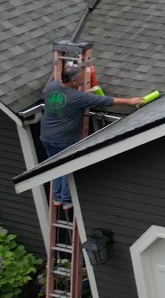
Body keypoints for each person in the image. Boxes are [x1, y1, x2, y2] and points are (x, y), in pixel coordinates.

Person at [39, 65, 146, 209]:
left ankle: (57, 198)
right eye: (80, 80)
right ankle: (67, 200)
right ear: (73, 81)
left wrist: (86, 95)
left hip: (46, 136)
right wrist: (130, 101)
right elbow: (106, 101)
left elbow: (69, 97)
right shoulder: (78, 97)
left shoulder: (53, 86)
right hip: (64, 139)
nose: (82, 81)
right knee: (67, 169)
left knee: (54, 167)